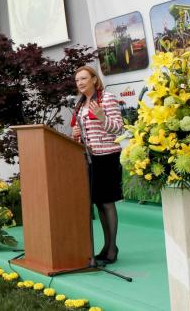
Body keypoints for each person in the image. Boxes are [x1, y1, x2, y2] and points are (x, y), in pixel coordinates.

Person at [71, 65, 124, 264]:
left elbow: (119, 129)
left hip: (107, 157)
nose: (80, 83)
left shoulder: (107, 98)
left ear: (94, 79)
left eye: (84, 78)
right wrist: (76, 135)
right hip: (90, 159)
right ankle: (107, 245)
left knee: (107, 202)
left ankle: (112, 248)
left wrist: (102, 117)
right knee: (99, 203)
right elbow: (81, 133)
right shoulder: (80, 104)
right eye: (77, 80)